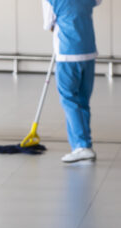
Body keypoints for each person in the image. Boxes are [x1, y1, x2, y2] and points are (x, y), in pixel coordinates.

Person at [42, 0, 102, 164]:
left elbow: (49, 24)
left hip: (68, 53)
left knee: (69, 99)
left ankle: (82, 147)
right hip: (89, 52)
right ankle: (84, 145)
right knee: (82, 101)